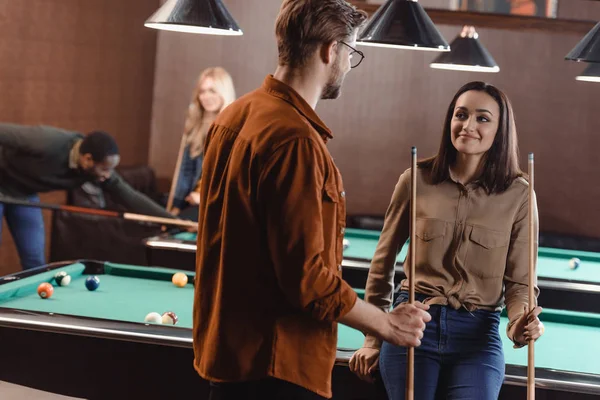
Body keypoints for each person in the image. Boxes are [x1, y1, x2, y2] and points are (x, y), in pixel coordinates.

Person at [192, 1, 432, 399]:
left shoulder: (231, 117)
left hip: (229, 359)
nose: (347, 66)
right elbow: (308, 281)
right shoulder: (295, 141)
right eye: (351, 53)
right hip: (278, 366)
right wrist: (386, 324)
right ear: (330, 50)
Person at [349, 81, 545, 399]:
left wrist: (520, 325)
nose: (467, 125)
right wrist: (373, 338)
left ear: (500, 131)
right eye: (460, 114)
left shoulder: (520, 194)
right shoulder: (416, 179)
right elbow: (382, 263)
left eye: (482, 118)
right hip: (414, 322)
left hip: (478, 335)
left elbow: (521, 285)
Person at [0, 123, 176, 270]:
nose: (108, 175)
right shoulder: (48, 142)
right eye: (105, 169)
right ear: (87, 159)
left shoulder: (97, 171)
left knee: (34, 260)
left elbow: (130, 196)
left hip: (24, 194)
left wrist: (172, 221)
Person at [167, 67, 236, 218]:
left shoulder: (235, 128)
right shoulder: (195, 126)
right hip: (192, 201)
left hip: (220, 204)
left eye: (212, 90)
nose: (206, 96)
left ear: (224, 92)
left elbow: (233, 177)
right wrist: (176, 207)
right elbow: (186, 171)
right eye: (202, 91)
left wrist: (203, 197)